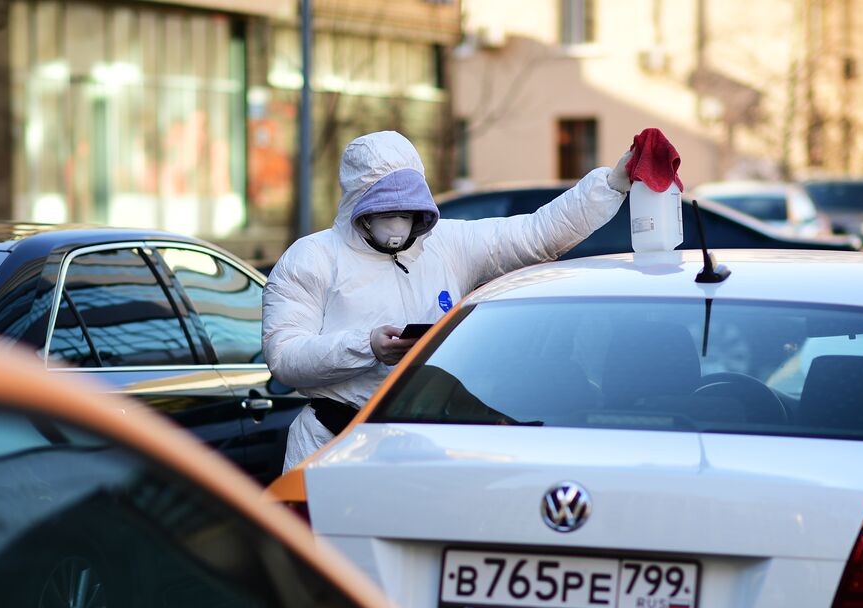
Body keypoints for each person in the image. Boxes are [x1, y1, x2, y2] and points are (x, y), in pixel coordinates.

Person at [262, 129, 634, 471]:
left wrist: (613, 183)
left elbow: (537, 234)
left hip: (426, 447)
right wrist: (367, 346)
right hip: (330, 445)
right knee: (319, 546)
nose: (398, 223)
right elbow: (285, 358)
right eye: (386, 211)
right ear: (358, 203)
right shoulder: (311, 257)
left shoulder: (447, 245)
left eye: (406, 211)